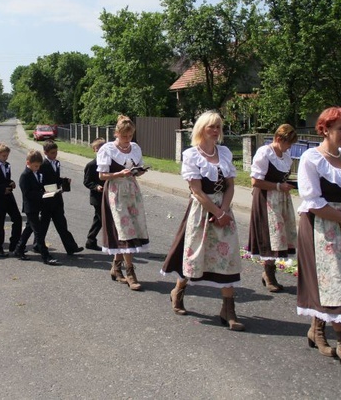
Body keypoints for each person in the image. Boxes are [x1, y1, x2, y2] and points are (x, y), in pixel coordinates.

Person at [296, 106, 341, 374]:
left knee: (340, 280)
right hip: (322, 226)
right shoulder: (311, 159)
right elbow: (312, 202)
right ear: (324, 129)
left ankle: (316, 329)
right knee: (335, 282)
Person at [161, 111, 245, 331]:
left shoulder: (224, 152)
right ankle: (178, 290)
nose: (216, 131)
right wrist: (216, 213)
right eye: (211, 127)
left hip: (224, 210)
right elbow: (196, 191)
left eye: (218, 127)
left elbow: (230, 186)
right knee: (196, 254)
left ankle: (228, 310)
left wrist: (225, 211)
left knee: (226, 257)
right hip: (202, 210)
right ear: (201, 129)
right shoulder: (191, 155)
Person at [97, 115, 149, 291]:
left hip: (132, 191)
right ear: (116, 133)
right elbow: (102, 176)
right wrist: (120, 174)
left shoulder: (135, 148)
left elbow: (137, 168)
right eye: (124, 135)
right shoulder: (107, 150)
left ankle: (116, 267)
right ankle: (131, 273)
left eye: (130, 135)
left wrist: (138, 172)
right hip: (115, 192)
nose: (128, 139)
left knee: (130, 229)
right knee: (125, 230)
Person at [248, 124, 298, 292]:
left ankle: (269, 271)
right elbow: (255, 181)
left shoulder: (285, 154)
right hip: (266, 198)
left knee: (280, 236)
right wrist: (278, 186)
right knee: (271, 236)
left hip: (281, 198)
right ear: (278, 139)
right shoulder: (264, 153)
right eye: (288, 143)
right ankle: (268, 274)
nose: (289, 147)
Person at [13, 150, 59, 265]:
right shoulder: (25, 176)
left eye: (38, 166)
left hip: (37, 205)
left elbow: (39, 186)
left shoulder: (36, 173)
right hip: (30, 207)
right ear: (28, 162)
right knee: (38, 232)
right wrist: (41, 194)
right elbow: (27, 193)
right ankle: (45, 256)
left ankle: (19, 249)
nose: (38, 168)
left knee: (29, 228)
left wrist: (47, 190)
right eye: (36, 166)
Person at [37, 141, 82, 255]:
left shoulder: (56, 163)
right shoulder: (41, 164)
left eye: (56, 152)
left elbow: (55, 178)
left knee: (61, 223)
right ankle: (38, 244)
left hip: (57, 198)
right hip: (47, 199)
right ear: (45, 153)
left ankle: (71, 247)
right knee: (43, 225)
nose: (55, 155)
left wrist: (63, 181)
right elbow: (40, 181)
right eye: (52, 153)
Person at [83, 138, 106, 251]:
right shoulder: (91, 165)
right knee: (102, 219)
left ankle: (91, 240)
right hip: (97, 197)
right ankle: (91, 240)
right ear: (94, 150)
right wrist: (96, 187)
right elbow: (87, 181)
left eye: (103, 148)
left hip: (108, 196)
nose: (101, 150)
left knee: (99, 220)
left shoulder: (108, 163)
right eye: (98, 148)